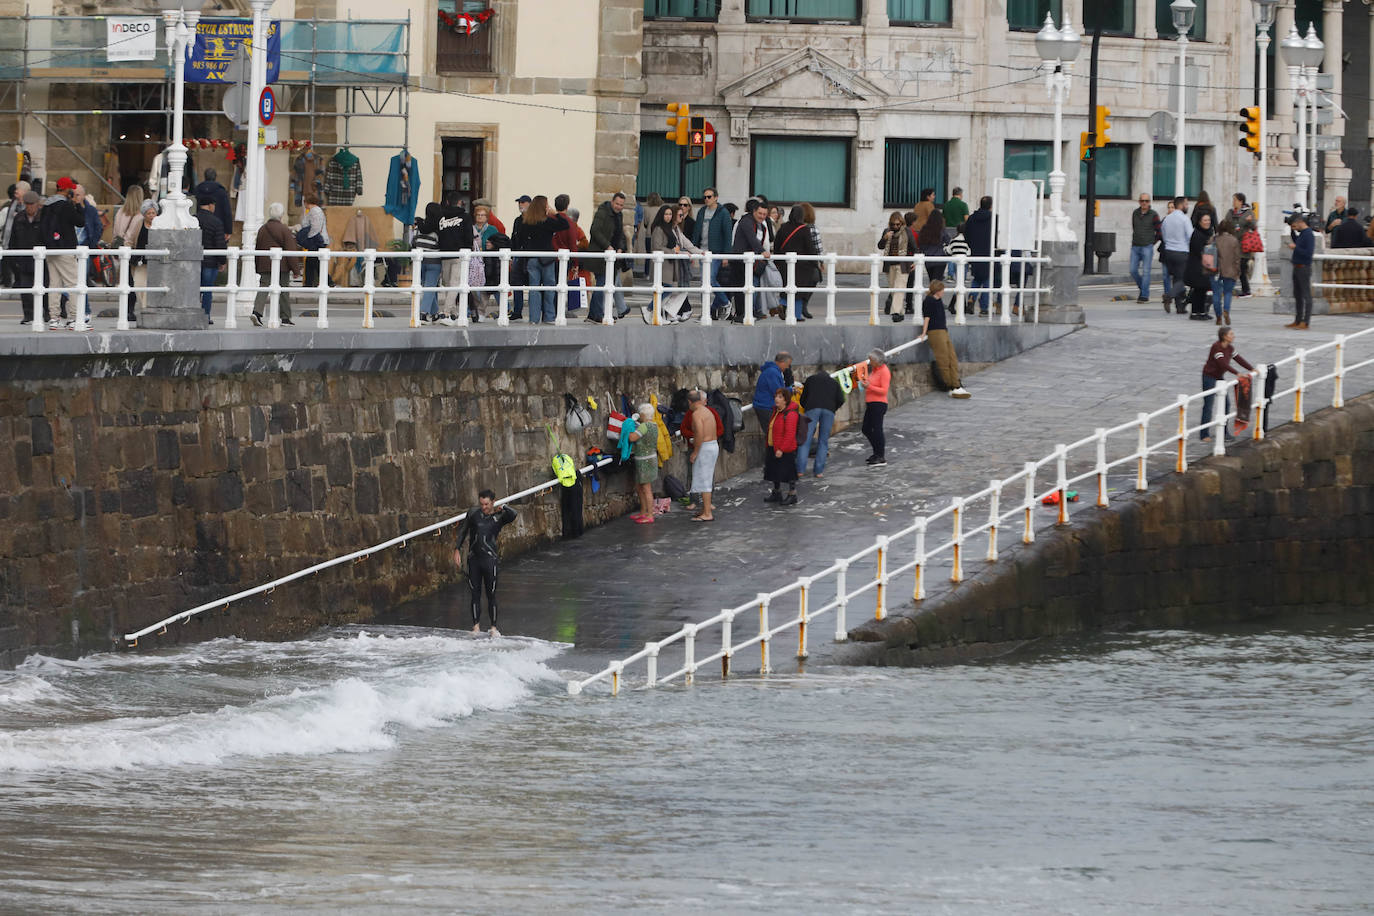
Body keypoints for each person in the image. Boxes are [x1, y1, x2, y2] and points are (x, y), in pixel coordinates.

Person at [453, 489, 517, 636]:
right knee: (475, 594)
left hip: (490, 560)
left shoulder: (499, 517)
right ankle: (476, 627)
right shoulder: (473, 514)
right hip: (474, 559)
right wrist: (457, 549)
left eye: (487, 504)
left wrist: (505, 507)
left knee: (491, 594)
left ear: (493, 502)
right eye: (481, 504)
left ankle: (493, 628)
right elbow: (463, 531)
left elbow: (514, 514)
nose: (484, 507)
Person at [510, 194, 570, 324]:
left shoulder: (526, 222)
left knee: (534, 289)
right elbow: (565, 224)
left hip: (531, 258)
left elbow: (519, 239)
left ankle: (534, 318)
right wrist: (556, 213)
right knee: (549, 288)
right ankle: (549, 316)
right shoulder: (547, 221)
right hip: (547, 258)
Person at [1200, 326, 1255, 441]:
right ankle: (1204, 434)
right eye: (1231, 334)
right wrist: (1237, 373)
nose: (1233, 336)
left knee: (1226, 404)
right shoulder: (1217, 348)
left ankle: (1224, 432)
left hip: (1219, 377)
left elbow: (1238, 359)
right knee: (1208, 404)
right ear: (1224, 336)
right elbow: (1223, 364)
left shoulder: (1230, 348)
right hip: (1209, 377)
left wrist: (1251, 369)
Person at [40, 178, 82, 328]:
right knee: (73, 283)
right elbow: (80, 221)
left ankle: (54, 317)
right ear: (66, 190)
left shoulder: (46, 204)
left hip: (51, 249)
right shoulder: (66, 206)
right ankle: (75, 316)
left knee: (54, 284)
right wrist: (77, 204)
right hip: (65, 249)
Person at [251, 202, 302, 327]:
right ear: (281, 215)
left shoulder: (262, 229)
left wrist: (257, 266)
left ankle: (257, 312)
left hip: (264, 264)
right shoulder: (284, 229)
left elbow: (257, 248)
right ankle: (285, 317)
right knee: (283, 290)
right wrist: (296, 270)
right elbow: (290, 250)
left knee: (263, 288)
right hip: (281, 266)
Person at [922, 279, 971, 398]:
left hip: (943, 331)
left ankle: (956, 383)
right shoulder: (929, 301)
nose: (943, 292)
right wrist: (924, 332)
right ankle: (952, 385)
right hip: (935, 332)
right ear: (937, 291)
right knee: (943, 360)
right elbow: (927, 317)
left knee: (952, 358)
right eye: (942, 290)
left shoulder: (938, 300)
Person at [587, 192, 629, 322]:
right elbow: (594, 230)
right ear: (612, 202)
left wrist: (621, 248)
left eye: (621, 205)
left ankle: (593, 315)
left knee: (603, 285)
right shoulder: (602, 212)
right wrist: (607, 246)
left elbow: (620, 234)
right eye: (617, 204)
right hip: (600, 255)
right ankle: (598, 314)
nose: (618, 207)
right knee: (602, 284)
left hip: (612, 257)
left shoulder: (619, 215)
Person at [797, 361, 843, 478]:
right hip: (828, 411)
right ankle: (818, 472)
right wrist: (833, 408)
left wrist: (806, 407)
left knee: (805, 439)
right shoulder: (834, 383)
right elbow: (841, 399)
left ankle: (800, 470)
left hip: (812, 409)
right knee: (823, 441)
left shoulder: (811, 380)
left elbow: (803, 398)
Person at [729, 200, 772, 322]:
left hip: (750, 261)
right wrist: (762, 251)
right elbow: (751, 238)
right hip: (739, 260)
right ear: (754, 211)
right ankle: (742, 314)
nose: (762, 216)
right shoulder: (746, 221)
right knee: (741, 288)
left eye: (764, 214)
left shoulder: (761, 225)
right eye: (760, 213)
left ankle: (747, 312)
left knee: (747, 287)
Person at [436, 191, 475, 323]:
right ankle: (449, 312)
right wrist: (468, 249)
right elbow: (468, 235)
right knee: (454, 283)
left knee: (448, 284)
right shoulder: (465, 217)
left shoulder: (441, 216)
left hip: (445, 253)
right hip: (460, 254)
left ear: (447, 202)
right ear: (460, 203)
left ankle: (450, 312)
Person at [776, 204, 820, 321]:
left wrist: (778, 261)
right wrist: (816, 264)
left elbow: (777, 246)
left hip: (785, 263)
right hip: (802, 266)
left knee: (787, 286)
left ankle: (783, 303)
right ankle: (796, 315)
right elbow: (811, 249)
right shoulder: (804, 229)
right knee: (799, 290)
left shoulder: (783, 227)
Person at [693, 187, 732, 315]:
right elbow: (696, 232)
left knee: (710, 279)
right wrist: (694, 251)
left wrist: (726, 255)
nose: (706, 199)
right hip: (702, 251)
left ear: (716, 197)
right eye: (704, 197)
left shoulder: (723, 213)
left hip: (715, 252)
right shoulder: (701, 212)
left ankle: (725, 302)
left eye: (709, 197)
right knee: (704, 282)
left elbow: (728, 235)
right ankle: (706, 311)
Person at [7, 190, 43, 325]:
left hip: (40, 259)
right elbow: (13, 239)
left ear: (37, 204)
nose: (29, 207)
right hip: (24, 259)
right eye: (27, 204)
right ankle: (28, 315)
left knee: (43, 287)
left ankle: (44, 313)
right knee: (26, 288)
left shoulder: (43, 218)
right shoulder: (19, 218)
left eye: (32, 204)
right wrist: (13, 259)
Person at [902, 209, 945, 322]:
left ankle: (930, 302)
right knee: (937, 282)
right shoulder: (941, 230)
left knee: (932, 281)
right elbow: (947, 242)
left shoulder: (924, 230)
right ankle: (933, 303)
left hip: (928, 260)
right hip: (940, 260)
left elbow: (920, 243)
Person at [761, 387, 801, 506]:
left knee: (789, 472)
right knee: (774, 471)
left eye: (780, 397)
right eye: (776, 396)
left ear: (786, 400)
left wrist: (781, 449)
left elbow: (789, 434)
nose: (776, 399)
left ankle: (792, 494)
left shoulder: (790, 414)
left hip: (785, 449)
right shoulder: (777, 411)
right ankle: (777, 492)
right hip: (773, 446)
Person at [645, 203, 681, 324]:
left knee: (666, 289)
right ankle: (650, 309)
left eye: (670, 214)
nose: (668, 216)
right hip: (662, 264)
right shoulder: (658, 228)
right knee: (666, 289)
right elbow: (656, 246)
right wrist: (672, 251)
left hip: (669, 264)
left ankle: (657, 315)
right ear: (661, 215)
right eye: (666, 214)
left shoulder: (669, 228)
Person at [687, 390, 719, 521]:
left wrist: (695, 451)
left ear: (690, 402)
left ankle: (707, 513)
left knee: (704, 480)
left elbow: (699, 433)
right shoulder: (708, 411)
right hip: (712, 444)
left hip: (705, 447)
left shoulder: (697, 414)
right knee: (705, 478)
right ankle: (705, 509)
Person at [194, 195, 226, 323]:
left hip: (195, 261)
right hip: (210, 262)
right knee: (207, 290)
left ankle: (194, 314)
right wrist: (222, 261)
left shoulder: (193, 219)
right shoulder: (216, 222)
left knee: (195, 289)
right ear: (211, 205)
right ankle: (205, 316)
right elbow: (220, 244)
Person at [627, 402, 660, 523]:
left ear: (642, 414)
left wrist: (627, 428)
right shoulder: (654, 425)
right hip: (649, 458)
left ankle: (649, 515)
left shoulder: (644, 426)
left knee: (646, 488)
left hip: (644, 460)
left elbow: (632, 438)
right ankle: (643, 512)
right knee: (640, 486)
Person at [1159, 196, 1192, 314]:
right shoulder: (1184, 219)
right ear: (1181, 205)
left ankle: (1180, 306)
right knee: (1183, 279)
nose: (1187, 206)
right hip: (1181, 251)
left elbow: (1162, 233)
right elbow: (1190, 236)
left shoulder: (1167, 219)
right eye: (1186, 204)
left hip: (1168, 251)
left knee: (1177, 279)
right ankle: (1169, 296)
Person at [412, 202, 442, 323]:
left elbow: (413, 242)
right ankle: (423, 313)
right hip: (434, 261)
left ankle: (434, 313)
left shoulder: (419, 227)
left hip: (420, 261)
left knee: (428, 286)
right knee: (430, 287)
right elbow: (440, 244)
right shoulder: (438, 228)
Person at [964, 196, 993, 315]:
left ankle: (972, 297)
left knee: (977, 278)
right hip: (989, 252)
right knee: (987, 280)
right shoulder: (993, 219)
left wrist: (972, 246)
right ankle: (984, 307)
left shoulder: (971, 218)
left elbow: (967, 234)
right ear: (991, 205)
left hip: (975, 252)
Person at [1286, 211, 1314, 330]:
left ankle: (1305, 322)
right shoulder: (1302, 233)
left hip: (1304, 267)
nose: (1294, 229)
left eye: (1294, 226)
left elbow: (1308, 253)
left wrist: (1296, 248)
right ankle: (1297, 320)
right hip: (1297, 267)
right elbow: (1296, 239)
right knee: (1297, 295)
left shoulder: (1308, 234)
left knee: (1306, 295)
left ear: (1300, 222)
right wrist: (1290, 229)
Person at [1130, 193, 1160, 303]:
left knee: (1146, 271)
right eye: (1142, 201)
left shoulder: (1154, 215)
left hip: (1147, 246)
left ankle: (1144, 295)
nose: (1144, 203)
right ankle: (1143, 288)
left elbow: (1159, 231)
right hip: (1135, 246)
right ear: (1139, 202)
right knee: (1132, 270)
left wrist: (1152, 242)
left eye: (1146, 201)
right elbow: (1134, 227)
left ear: (1149, 202)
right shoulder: (1135, 213)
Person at [879, 210, 910, 316]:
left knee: (899, 287)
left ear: (902, 223)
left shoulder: (906, 232)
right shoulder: (887, 231)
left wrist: (914, 261)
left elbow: (914, 247)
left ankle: (895, 312)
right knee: (893, 289)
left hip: (903, 264)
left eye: (898, 224)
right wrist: (885, 238)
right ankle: (900, 312)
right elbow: (880, 246)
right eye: (893, 224)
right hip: (890, 264)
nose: (895, 226)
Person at [752, 351, 792, 433]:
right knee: (773, 434)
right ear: (782, 362)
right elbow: (778, 391)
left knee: (772, 433)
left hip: (765, 406)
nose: (787, 367)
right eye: (787, 364)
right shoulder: (772, 372)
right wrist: (791, 390)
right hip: (766, 406)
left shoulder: (772, 371)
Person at [862, 348, 890, 465]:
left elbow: (884, 391)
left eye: (871, 360)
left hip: (879, 404)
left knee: (877, 429)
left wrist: (869, 386)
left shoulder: (884, 371)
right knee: (866, 429)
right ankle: (876, 452)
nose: (869, 362)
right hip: (871, 403)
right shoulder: (874, 370)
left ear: (876, 360)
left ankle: (880, 455)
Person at [1185, 211, 1215, 319]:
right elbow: (1199, 250)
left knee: (1203, 289)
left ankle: (1201, 312)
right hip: (1197, 266)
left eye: (1208, 220)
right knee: (1198, 289)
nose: (1207, 222)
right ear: (1199, 222)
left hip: (1204, 266)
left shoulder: (1208, 233)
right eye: (1205, 220)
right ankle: (1195, 312)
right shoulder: (1197, 234)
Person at [1212, 218, 1241, 325]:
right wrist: (1238, 271)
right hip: (1230, 270)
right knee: (1228, 292)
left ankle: (1218, 316)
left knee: (1216, 294)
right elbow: (1237, 258)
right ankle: (1226, 311)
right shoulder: (1234, 240)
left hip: (1215, 270)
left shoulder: (1214, 239)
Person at [1228, 193, 1256, 298]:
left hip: (1244, 245)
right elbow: (1226, 223)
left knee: (1241, 268)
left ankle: (1246, 290)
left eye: (1235, 200)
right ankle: (1242, 289)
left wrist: (1250, 222)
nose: (1233, 202)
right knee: (1234, 268)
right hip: (1232, 244)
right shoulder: (1231, 213)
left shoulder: (1248, 213)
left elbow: (1254, 227)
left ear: (1241, 201)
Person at [194, 168, 232, 235]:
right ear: (215, 177)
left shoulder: (197, 190)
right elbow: (227, 212)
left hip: (199, 225)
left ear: (205, 176)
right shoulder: (221, 192)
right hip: (218, 228)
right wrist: (228, 230)